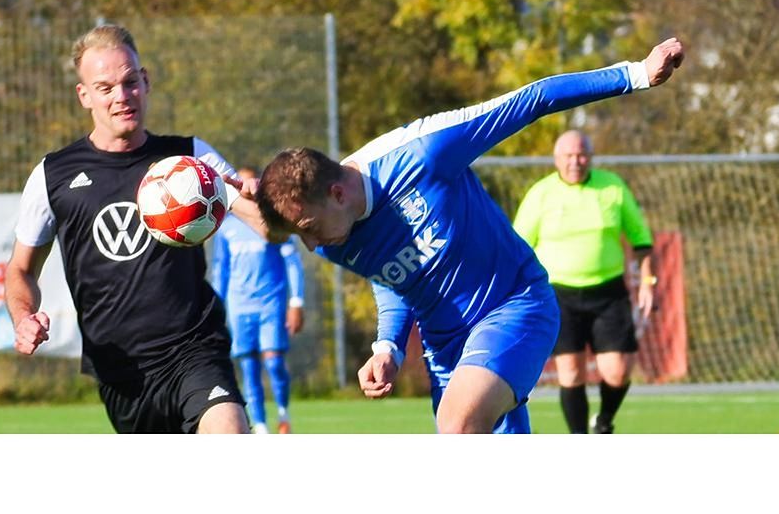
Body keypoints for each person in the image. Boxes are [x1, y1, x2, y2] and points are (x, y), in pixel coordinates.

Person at [254, 38, 684, 434]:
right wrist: (388, 348)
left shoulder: (424, 152)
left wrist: (637, 74)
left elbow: (533, 99)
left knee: (459, 422)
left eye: (307, 230)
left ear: (337, 193)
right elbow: (392, 278)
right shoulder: (333, 233)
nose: (310, 246)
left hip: (514, 305)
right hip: (446, 353)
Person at [4, 24, 273, 434]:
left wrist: (265, 199)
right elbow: (20, 270)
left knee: (228, 430)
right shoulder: (53, 175)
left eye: (130, 82)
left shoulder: (189, 158)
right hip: (121, 371)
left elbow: (266, 225)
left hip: (195, 348)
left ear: (145, 81)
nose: (121, 96)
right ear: (85, 95)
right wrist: (23, 317)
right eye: (105, 87)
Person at [512, 130, 655, 434]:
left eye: (581, 155)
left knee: (617, 371)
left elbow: (641, 239)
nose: (575, 162)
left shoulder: (612, 187)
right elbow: (518, 247)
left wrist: (647, 281)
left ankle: (603, 422)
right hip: (559, 295)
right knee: (571, 372)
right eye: (568, 156)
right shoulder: (541, 194)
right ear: (556, 159)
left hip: (609, 291)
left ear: (590, 157)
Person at [211, 166, 306, 434]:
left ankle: (283, 413)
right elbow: (221, 269)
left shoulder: (271, 223)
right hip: (239, 307)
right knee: (249, 367)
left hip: (271, 304)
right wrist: (218, 307)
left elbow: (293, 264)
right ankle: (261, 426)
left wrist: (296, 302)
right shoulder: (226, 228)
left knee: (274, 362)